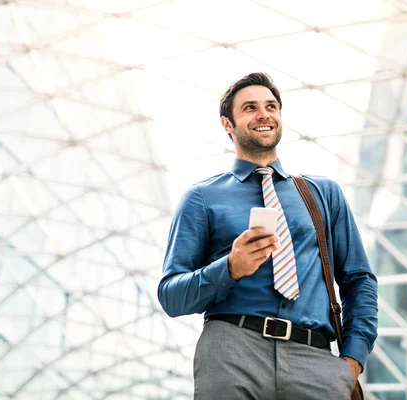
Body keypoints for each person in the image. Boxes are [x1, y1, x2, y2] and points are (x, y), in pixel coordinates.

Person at [157, 72, 378, 399]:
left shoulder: (321, 194)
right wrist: (230, 268)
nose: (264, 114)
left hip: (314, 357)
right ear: (227, 124)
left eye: (271, 106)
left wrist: (352, 360)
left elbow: (359, 278)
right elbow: (171, 296)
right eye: (250, 107)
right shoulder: (202, 197)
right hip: (231, 350)